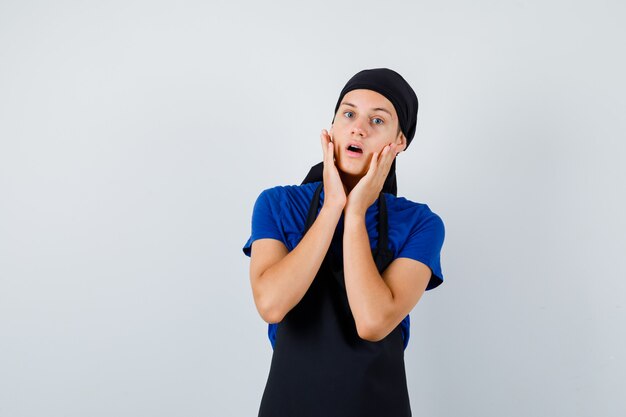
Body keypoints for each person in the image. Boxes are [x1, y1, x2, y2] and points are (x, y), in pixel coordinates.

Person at [242, 68, 445, 417]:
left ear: (399, 143)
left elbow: (372, 322)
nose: (358, 128)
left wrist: (354, 215)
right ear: (332, 128)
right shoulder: (277, 204)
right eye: (348, 114)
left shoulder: (420, 224)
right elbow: (271, 305)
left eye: (377, 120)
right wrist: (333, 205)